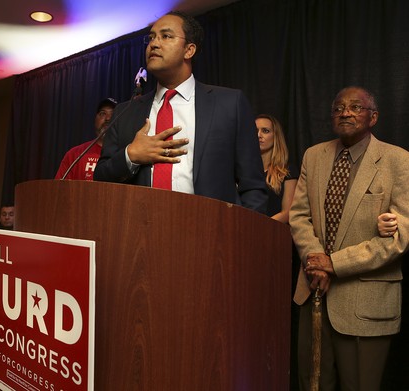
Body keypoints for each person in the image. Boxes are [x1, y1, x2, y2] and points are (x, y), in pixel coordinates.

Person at [289, 86, 409, 391]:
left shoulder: (398, 161)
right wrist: (315, 261)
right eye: (339, 107)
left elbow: (398, 238)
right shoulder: (314, 156)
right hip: (313, 292)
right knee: (312, 383)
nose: (345, 112)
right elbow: (299, 215)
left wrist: (334, 264)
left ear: (374, 117)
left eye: (356, 107)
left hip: (365, 303)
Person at [94, 11, 267, 212]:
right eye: (151, 38)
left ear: (189, 50)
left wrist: (241, 238)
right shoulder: (126, 111)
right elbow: (101, 177)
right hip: (140, 233)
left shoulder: (229, 104)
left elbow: (253, 187)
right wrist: (130, 155)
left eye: (166, 36)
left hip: (212, 233)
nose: (154, 44)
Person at [55, 97, 117, 180]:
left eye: (112, 114)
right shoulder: (75, 155)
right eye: (103, 113)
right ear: (95, 119)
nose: (108, 118)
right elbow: (59, 189)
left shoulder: (124, 156)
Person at [256, 114, 298, 223]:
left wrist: (259, 227)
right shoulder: (242, 171)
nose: (258, 135)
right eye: (254, 130)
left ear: (276, 136)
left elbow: (287, 212)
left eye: (265, 131)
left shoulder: (287, 171)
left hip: (274, 233)